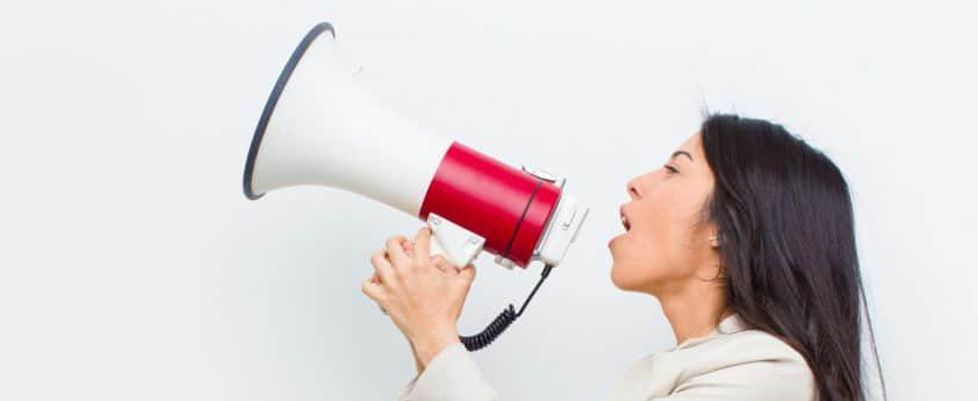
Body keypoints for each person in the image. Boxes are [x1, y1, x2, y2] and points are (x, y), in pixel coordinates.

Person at [361, 114, 884, 401]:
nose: (637, 183)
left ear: (729, 228)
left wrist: (436, 337)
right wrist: (428, 337)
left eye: (674, 170)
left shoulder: (770, 376)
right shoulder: (694, 370)